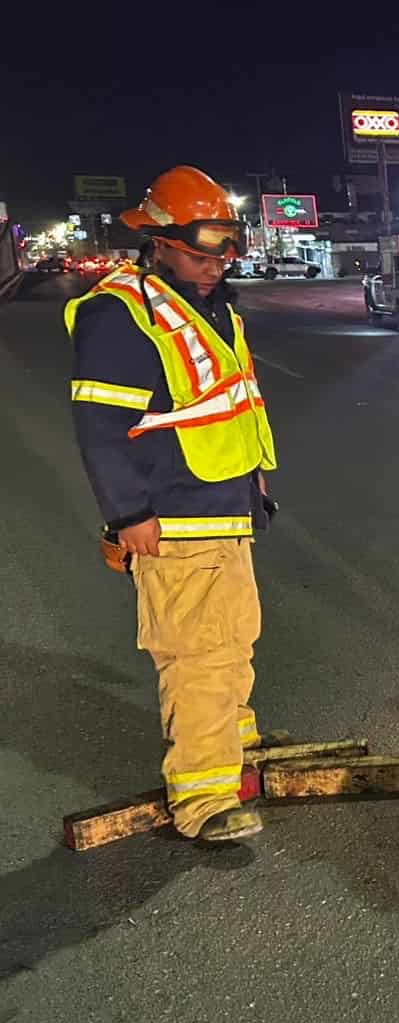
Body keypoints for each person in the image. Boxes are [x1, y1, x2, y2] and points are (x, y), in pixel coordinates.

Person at [67, 165, 277, 842]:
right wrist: (128, 515)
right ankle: (205, 796)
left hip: (224, 502)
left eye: (223, 251)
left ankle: (230, 745)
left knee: (234, 637)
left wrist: (255, 484)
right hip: (175, 513)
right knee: (199, 653)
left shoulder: (205, 303)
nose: (215, 265)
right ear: (159, 240)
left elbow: (228, 401)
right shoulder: (119, 313)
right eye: (201, 252)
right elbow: (99, 428)